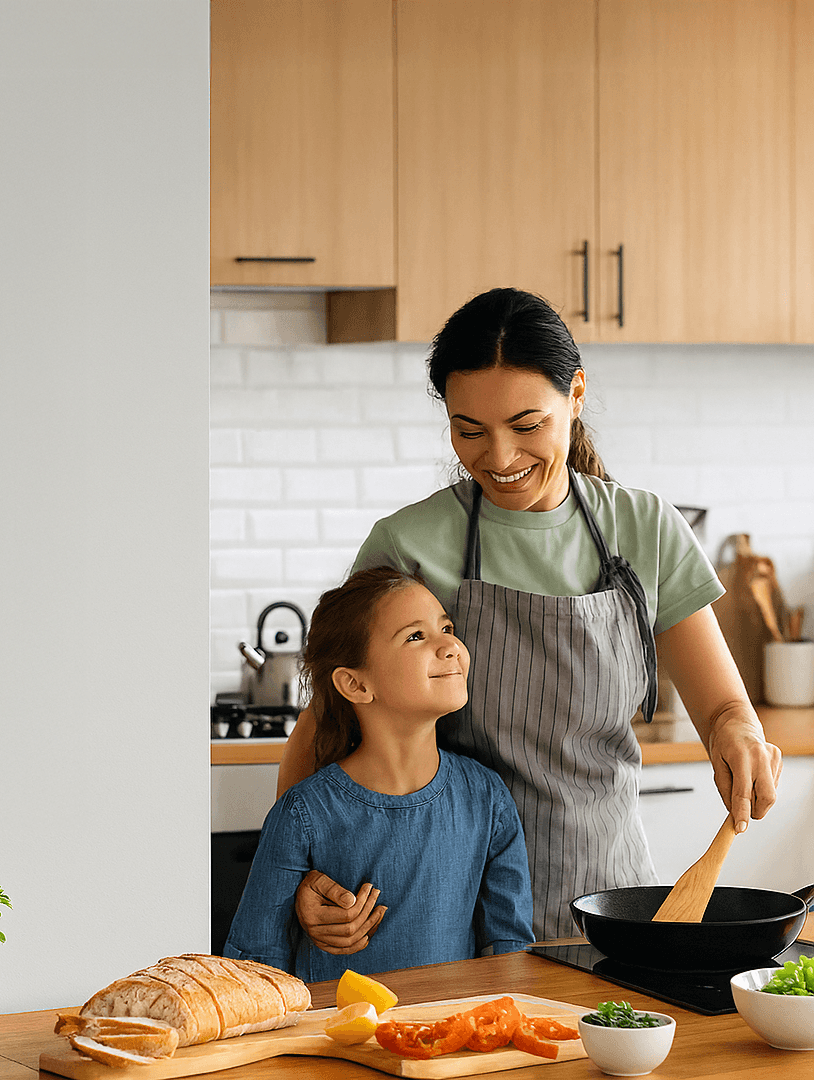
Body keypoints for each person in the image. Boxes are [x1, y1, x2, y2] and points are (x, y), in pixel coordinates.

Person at [279, 287, 785, 950]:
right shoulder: (409, 544)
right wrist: (300, 875)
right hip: (441, 917)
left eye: (526, 425)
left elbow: (722, 708)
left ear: (575, 395)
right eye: (469, 431)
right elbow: (325, 728)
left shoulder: (645, 527)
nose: (498, 456)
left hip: (608, 911)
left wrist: (740, 736)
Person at [224, 567, 532, 980]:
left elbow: (510, 951)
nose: (451, 646)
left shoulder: (487, 797)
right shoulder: (302, 813)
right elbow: (257, 965)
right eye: (416, 636)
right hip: (334, 1041)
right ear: (354, 684)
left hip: (449, 1039)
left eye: (446, 627)